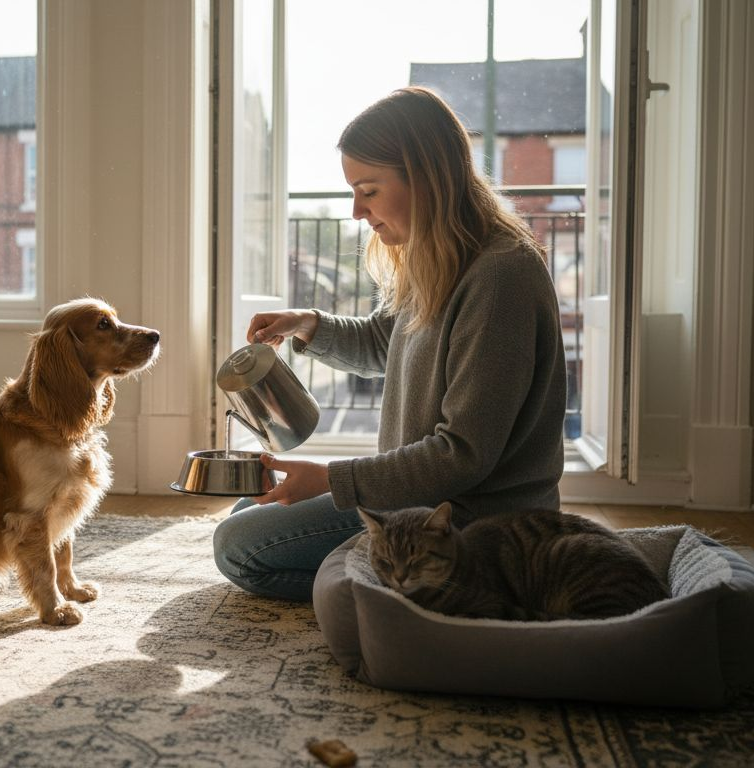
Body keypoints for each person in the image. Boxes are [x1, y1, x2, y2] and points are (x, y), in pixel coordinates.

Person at [212, 86, 567, 602]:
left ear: (425, 178)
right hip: (416, 503)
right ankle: (374, 576)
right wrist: (307, 323)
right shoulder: (438, 256)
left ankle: (443, 590)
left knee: (237, 546)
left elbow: (461, 455)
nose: (357, 210)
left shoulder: (500, 276)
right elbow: (386, 343)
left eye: (369, 189)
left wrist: (333, 480)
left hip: (465, 524)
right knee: (251, 510)